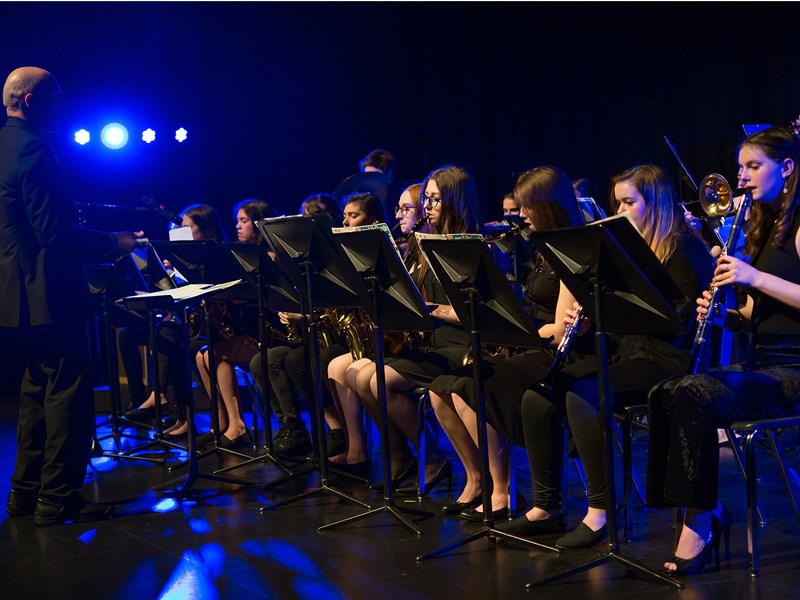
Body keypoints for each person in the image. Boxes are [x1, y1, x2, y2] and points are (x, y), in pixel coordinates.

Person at [504, 164, 713, 548]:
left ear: (657, 204)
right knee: (538, 395)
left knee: (582, 394)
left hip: (668, 359)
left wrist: (612, 312)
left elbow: (677, 324)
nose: (618, 211)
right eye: (616, 202)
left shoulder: (682, 247)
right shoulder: (629, 248)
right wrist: (587, 320)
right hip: (630, 351)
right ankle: (546, 508)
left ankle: (602, 512)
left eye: (628, 202)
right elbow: (622, 319)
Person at [647, 127, 800, 577]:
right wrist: (727, 318)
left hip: (794, 368)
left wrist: (753, 278)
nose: (742, 176)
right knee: (665, 392)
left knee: (694, 393)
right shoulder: (763, 226)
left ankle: (699, 522)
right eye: (741, 167)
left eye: (754, 166)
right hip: (763, 361)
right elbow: (760, 314)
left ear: (787, 168)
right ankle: (694, 508)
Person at [1, 66, 139, 525]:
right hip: (48, 294)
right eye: (55, 93)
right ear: (30, 100)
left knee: (35, 394)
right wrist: (111, 243)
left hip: (13, 297)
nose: (62, 101)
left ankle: (24, 495)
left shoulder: (5, 146)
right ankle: (57, 498)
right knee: (67, 396)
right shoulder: (35, 149)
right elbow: (54, 233)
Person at [428, 166, 585, 520]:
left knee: (473, 385)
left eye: (528, 207)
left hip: (557, 353)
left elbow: (560, 332)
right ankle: (477, 478)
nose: (521, 214)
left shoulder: (568, 246)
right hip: (532, 344)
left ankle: (501, 491)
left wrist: (518, 331)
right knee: (443, 387)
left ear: (548, 206)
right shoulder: (542, 246)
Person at [354, 165, 482, 491]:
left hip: (459, 345)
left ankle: (438, 462)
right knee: (368, 378)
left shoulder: (470, 246)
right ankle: (419, 458)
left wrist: (435, 310)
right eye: (426, 198)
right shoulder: (425, 243)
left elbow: (477, 312)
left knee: (379, 380)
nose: (428, 207)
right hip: (434, 341)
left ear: (455, 201)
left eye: (435, 199)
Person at [326, 183, 425, 471]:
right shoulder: (405, 249)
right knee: (337, 367)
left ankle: (417, 455)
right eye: (399, 208)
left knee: (366, 376)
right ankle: (390, 453)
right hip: (396, 336)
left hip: (419, 342)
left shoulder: (406, 249)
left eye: (407, 208)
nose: (400, 215)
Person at [120, 203, 228, 436]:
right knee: (150, 335)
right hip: (185, 323)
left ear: (206, 231)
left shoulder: (214, 256)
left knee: (169, 337)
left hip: (212, 326)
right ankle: (173, 411)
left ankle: (167, 402)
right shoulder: (177, 260)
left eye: (187, 229)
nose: (181, 235)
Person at [194, 199, 274, 449]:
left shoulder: (269, 255)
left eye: (244, 221)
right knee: (201, 356)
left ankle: (237, 424)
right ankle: (221, 423)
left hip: (269, 332)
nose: (237, 226)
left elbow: (252, 297)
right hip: (245, 330)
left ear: (258, 224)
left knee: (213, 355)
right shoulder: (234, 254)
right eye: (237, 221)